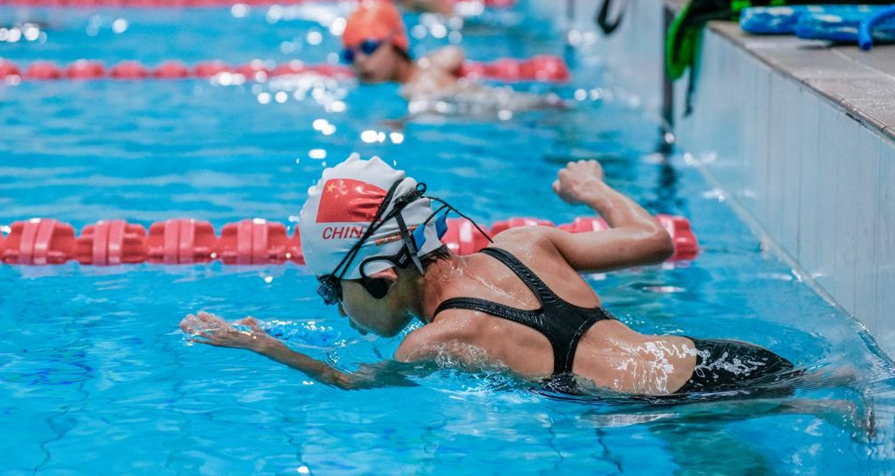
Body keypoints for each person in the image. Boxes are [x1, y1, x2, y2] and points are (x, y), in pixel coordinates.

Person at [181, 155, 799, 397]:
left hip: (683, 403)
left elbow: (350, 382)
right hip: (726, 359)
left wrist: (262, 346)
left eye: (331, 290)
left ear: (376, 275)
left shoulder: (435, 340)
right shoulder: (523, 242)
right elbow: (655, 240)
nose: (339, 312)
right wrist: (591, 188)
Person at [340, 0, 562, 116]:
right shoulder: (429, 64)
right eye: (349, 54)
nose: (359, 60)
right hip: (522, 102)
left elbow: (424, 109)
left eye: (368, 47)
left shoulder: (416, 88)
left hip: (517, 111)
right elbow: (455, 53)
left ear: (396, 44)